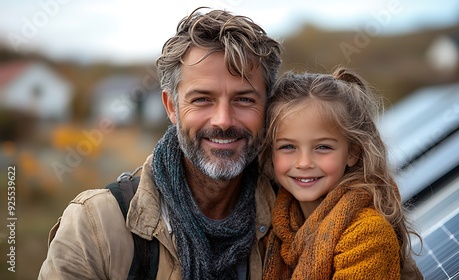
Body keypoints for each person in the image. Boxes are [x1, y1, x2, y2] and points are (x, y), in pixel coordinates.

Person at [38, 7, 282, 279]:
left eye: (244, 99)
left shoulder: (295, 216)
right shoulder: (95, 227)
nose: (223, 120)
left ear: (268, 107)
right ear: (171, 107)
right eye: (202, 99)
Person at [260, 69, 423, 279]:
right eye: (287, 147)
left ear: (352, 153)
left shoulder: (368, 234)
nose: (304, 163)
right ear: (270, 151)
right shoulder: (275, 227)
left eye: (323, 147)